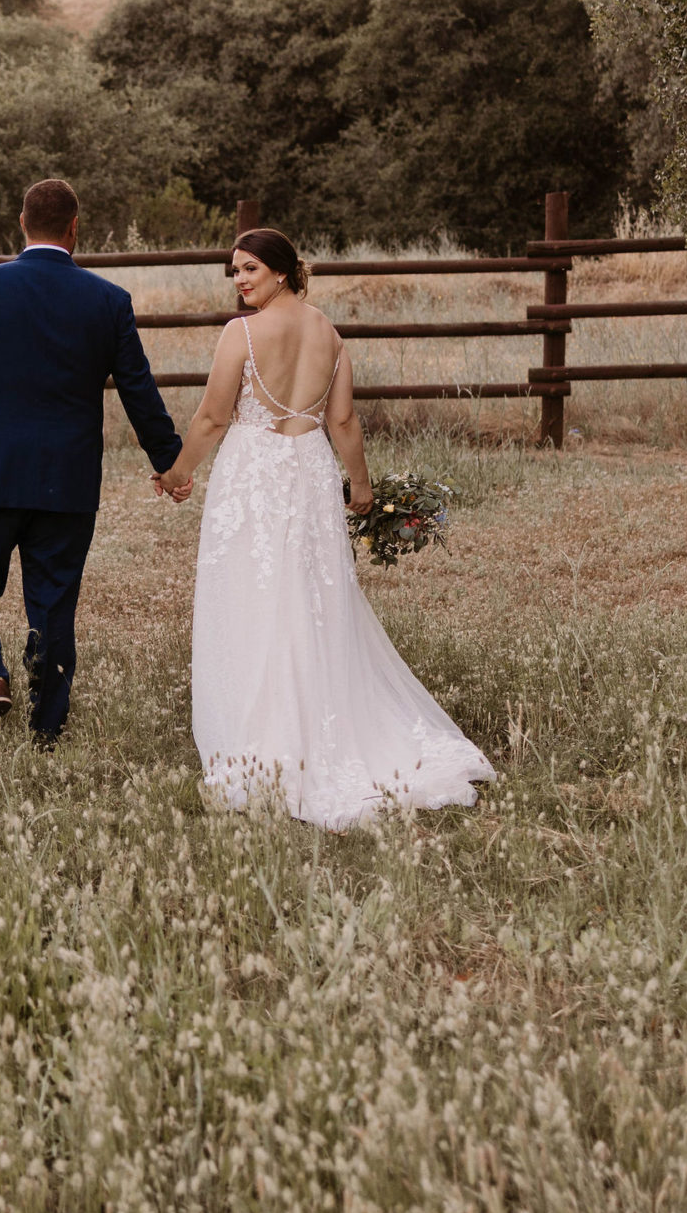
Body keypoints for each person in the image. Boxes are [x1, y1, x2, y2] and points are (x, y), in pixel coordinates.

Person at [155, 227, 494, 830]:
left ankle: (263, 737)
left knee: (256, 596)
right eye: (234, 270)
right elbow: (342, 421)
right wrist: (359, 488)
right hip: (309, 469)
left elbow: (210, 416)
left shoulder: (242, 334)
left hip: (255, 473)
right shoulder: (330, 336)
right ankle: (313, 721)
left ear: (282, 271)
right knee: (310, 596)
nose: (240, 280)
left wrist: (179, 473)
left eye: (250, 269)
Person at [0, 177, 189, 745]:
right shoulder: (108, 300)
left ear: (22, 223)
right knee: (54, 595)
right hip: (67, 479)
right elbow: (138, 388)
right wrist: (168, 460)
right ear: (75, 229)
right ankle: (47, 725)